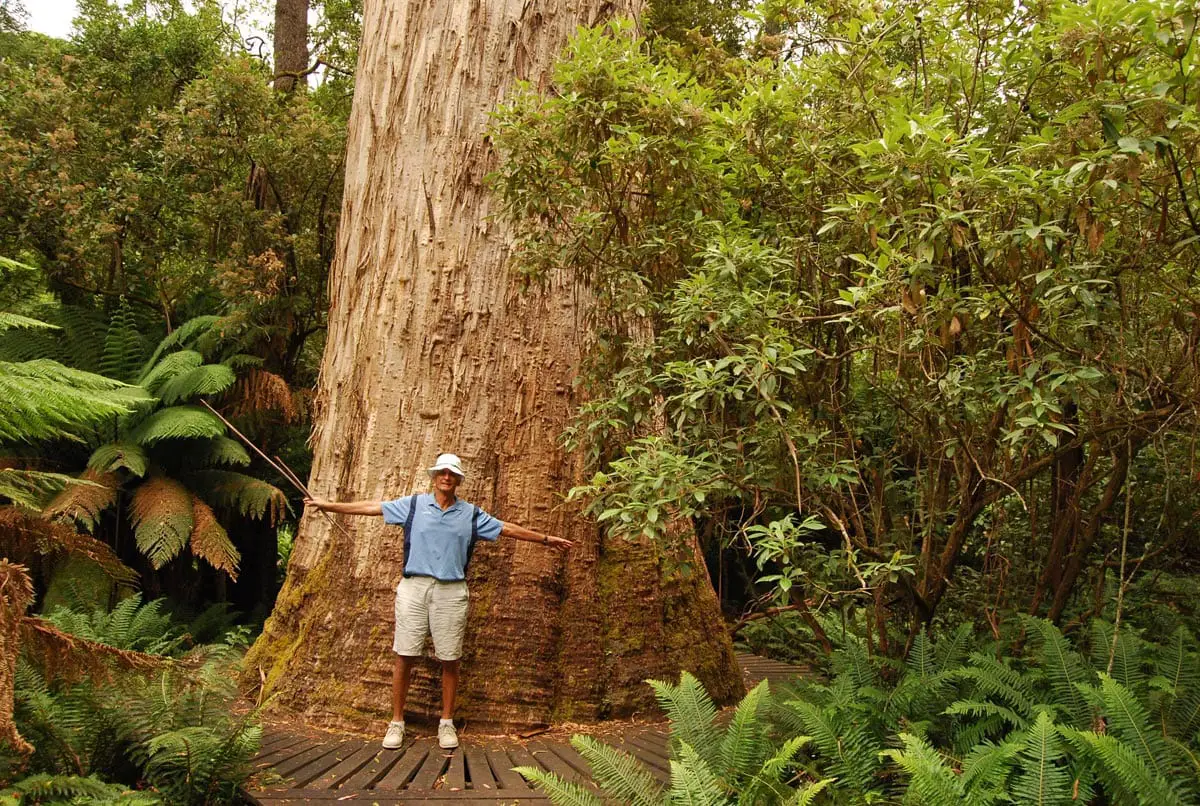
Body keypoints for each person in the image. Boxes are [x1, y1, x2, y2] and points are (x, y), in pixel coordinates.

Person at [303, 453, 572, 751]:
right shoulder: (414, 505)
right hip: (414, 588)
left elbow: (506, 528)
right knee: (404, 654)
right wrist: (328, 504)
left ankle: (446, 723)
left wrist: (546, 539)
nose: (447, 477)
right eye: (442, 472)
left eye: (452, 474)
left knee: (450, 658)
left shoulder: (470, 515)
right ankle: (397, 722)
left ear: (458, 480)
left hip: (451, 591)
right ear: (435, 476)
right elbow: (373, 507)